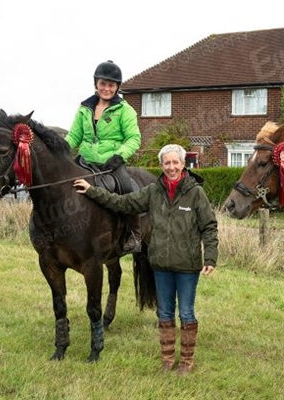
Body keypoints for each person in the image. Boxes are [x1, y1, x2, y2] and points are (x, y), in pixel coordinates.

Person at [73, 144, 218, 374]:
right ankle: (168, 360)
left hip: (187, 265)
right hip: (160, 264)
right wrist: (92, 190)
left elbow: (209, 226)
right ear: (162, 165)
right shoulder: (153, 192)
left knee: (187, 313)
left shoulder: (195, 193)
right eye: (167, 163)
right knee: (165, 313)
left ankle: (186, 363)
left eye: (175, 163)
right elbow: (122, 203)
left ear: (182, 164)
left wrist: (210, 257)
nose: (171, 167)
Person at [65, 60, 142, 253]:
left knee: (128, 188)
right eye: (103, 84)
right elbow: (74, 136)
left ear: (117, 87)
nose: (106, 88)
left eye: (111, 85)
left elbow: (134, 138)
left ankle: (134, 233)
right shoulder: (84, 108)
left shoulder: (125, 110)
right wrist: (61, 149)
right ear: (96, 84)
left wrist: (119, 156)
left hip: (111, 163)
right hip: (85, 160)